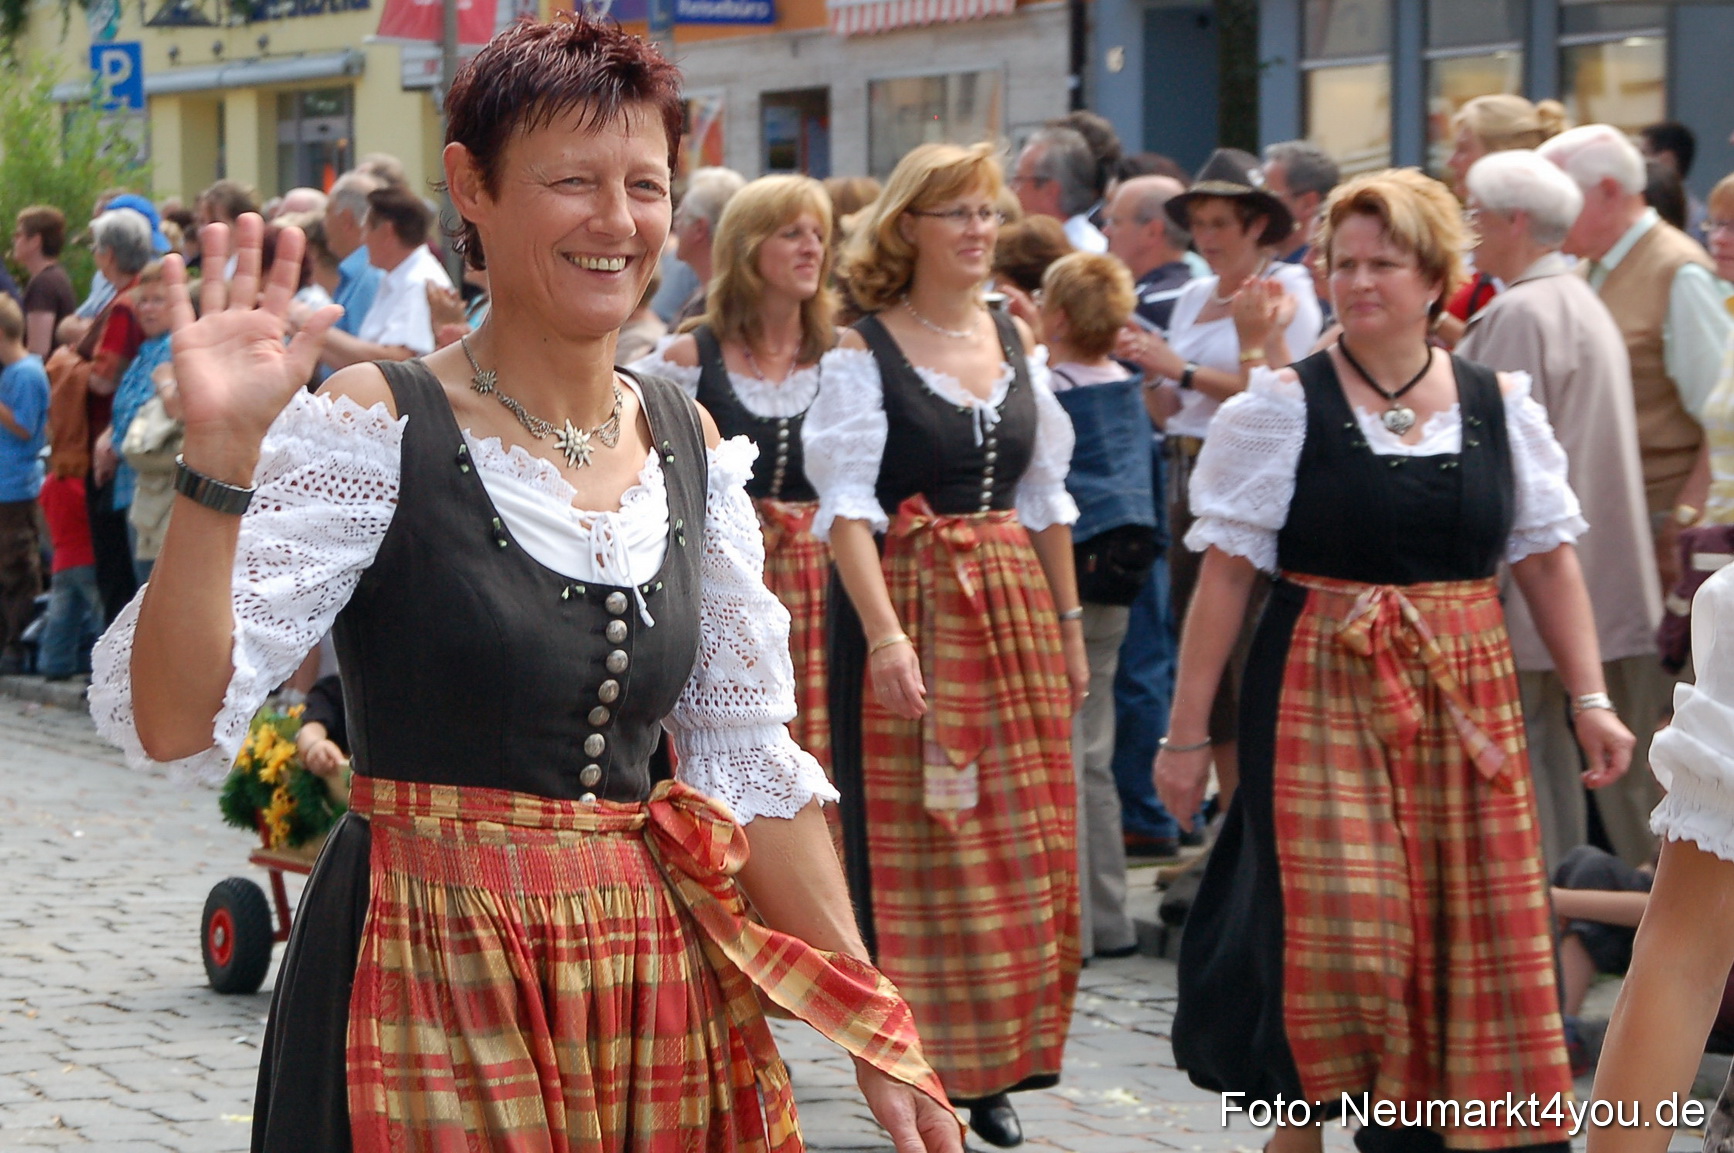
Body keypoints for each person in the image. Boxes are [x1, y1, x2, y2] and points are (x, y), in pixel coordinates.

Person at [88, 17, 958, 1153]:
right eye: (573, 181)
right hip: (419, 965)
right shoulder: (378, 425)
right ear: (473, 189)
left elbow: (750, 765)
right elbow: (169, 721)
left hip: (643, 979)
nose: (619, 220)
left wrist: (868, 1016)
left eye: (646, 183)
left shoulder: (686, 438)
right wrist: (221, 471)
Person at [1157, 166, 1634, 1153]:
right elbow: (1225, 584)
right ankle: (1301, 1129)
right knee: (1342, 940)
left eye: (1386, 262)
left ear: (1435, 276)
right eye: (1344, 262)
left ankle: (1435, 1131)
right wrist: (1186, 735)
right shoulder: (1281, 406)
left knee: (1466, 932)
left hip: (1464, 687)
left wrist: (1591, 697)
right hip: (1319, 690)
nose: (1360, 280)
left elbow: (1547, 562)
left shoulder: (1498, 403)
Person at [809, 140, 1084, 1149]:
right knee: (917, 841)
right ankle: (915, 1058)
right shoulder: (862, 348)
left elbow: (1049, 497)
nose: (979, 230)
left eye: (988, 212)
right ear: (908, 226)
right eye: (958, 212)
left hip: (1008, 601)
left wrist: (1066, 626)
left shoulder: (1017, 337)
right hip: (911, 603)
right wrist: (884, 639)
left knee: (1017, 838)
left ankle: (993, 1060)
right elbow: (846, 512)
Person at [1456, 149, 1662, 873]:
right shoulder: (1576, 297)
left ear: (1515, 220)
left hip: (1544, 584)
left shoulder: (1520, 312)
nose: (1468, 230)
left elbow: (1499, 464)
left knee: (1546, 778)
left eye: (1474, 214)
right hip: (1600, 572)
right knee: (1623, 787)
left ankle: (1557, 936)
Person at [1541, 124, 1732, 859]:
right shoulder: (1594, 268)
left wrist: (1677, 522)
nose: (1719, 238)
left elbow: (1706, 417)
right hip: (1648, 529)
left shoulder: (1674, 270)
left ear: (1611, 193)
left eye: (1566, 198)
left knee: (1662, 718)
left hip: (1677, 538)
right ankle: (1629, 890)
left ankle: (1649, 891)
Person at [1119, 147, 1323, 813]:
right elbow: (1171, 402)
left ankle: (1253, 818)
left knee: (1245, 648)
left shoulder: (1286, 291)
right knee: (1200, 646)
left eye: (1220, 225)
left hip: (1247, 482)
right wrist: (1157, 374)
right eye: (1199, 224)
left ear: (1256, 227)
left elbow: (1280, 393)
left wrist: (1176, 370)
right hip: (1185, 470)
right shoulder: (1195, 294)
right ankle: (1230, 822)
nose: (1206, 238)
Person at [630, 174, 839, 778]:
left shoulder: (842, 353)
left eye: (820, 235)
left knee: (822, 739)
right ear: (748, 248)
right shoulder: (692, 357)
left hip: (824, 581)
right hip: (733, 578)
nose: (811, 248)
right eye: (791, 232)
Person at [1040, 250, 1153, 958]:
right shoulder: (1126, 383)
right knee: (1099, 748)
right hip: (1126, 568)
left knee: (1069, 744)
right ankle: (1110, 913)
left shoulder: (1053, 386)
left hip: (1072, 571)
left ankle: (1075, 921)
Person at [1099, 172, 1194, 855]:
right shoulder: (1181, 296)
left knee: (1144, 658)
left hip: (1159, 493)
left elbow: (1166, 397)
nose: (1106, 234)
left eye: (1116, 222)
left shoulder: (1165, 298)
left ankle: (1152, 812)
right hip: (1165, 482)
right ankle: (1156, 811)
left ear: (1150, 229)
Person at [83, 208, 154, 622]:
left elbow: (104, 379)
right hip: (120, 441)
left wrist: (66, 365)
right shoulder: (132, 298)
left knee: (118, 565)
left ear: (108, 255)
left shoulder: (127, 304)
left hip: (113, 446)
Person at [317, 185, 453, 369]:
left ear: (387, 232)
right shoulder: (397, 277)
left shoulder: (418, 282)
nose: (364, 240)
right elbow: (362, 364)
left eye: (367, 230)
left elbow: (399, 362)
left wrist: (315, 327)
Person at [102, 264, 175, 584]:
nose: (146, 308)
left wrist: (115, 442)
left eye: (157, 300)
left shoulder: (175, 349)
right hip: (132, 488)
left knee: (153, 591)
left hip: (160, 492)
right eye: (142, 301)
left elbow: (156, 418)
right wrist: (106, 436)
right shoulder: (145, 350)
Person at [0, 296, 48, 673]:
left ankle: (19, 643)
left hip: (16, 485)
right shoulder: (11, 374)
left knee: (17, 563)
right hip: (5, 483)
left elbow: (26, 426)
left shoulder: (27, 374)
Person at [1011, 126, 1107, 253]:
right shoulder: (1044, 247)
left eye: (1019, 180)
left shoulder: (1082, 257)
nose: (1011, 189)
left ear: (1050, 191)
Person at [670, 166, 747, 322]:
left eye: (679, 216)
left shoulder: (728, 308)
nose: (675, 225)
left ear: (699, 228)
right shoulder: (703, 294)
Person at [322, 172, 387, 343]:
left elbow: (366, 354)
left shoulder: (369, 276)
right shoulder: (356, 273)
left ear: (346, 220)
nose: (323, 223)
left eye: (327, 213)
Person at [1261, 140, 1339, 269]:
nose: (1256, 207)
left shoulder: (1318, 276)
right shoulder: (1261, 268)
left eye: (1268, 197)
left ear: (1307, 204)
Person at [12, 207, 78, 358]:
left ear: (35, 241)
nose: (14, 240)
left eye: (18, 235)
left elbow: (38, 350)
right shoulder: (54, 277)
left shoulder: (43, 284)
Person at [1640, 120, 1706, 239]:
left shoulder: (1694, 219)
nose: (1638, 162)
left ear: (1667, 160)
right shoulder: (1699, 215)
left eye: (1644, 154)